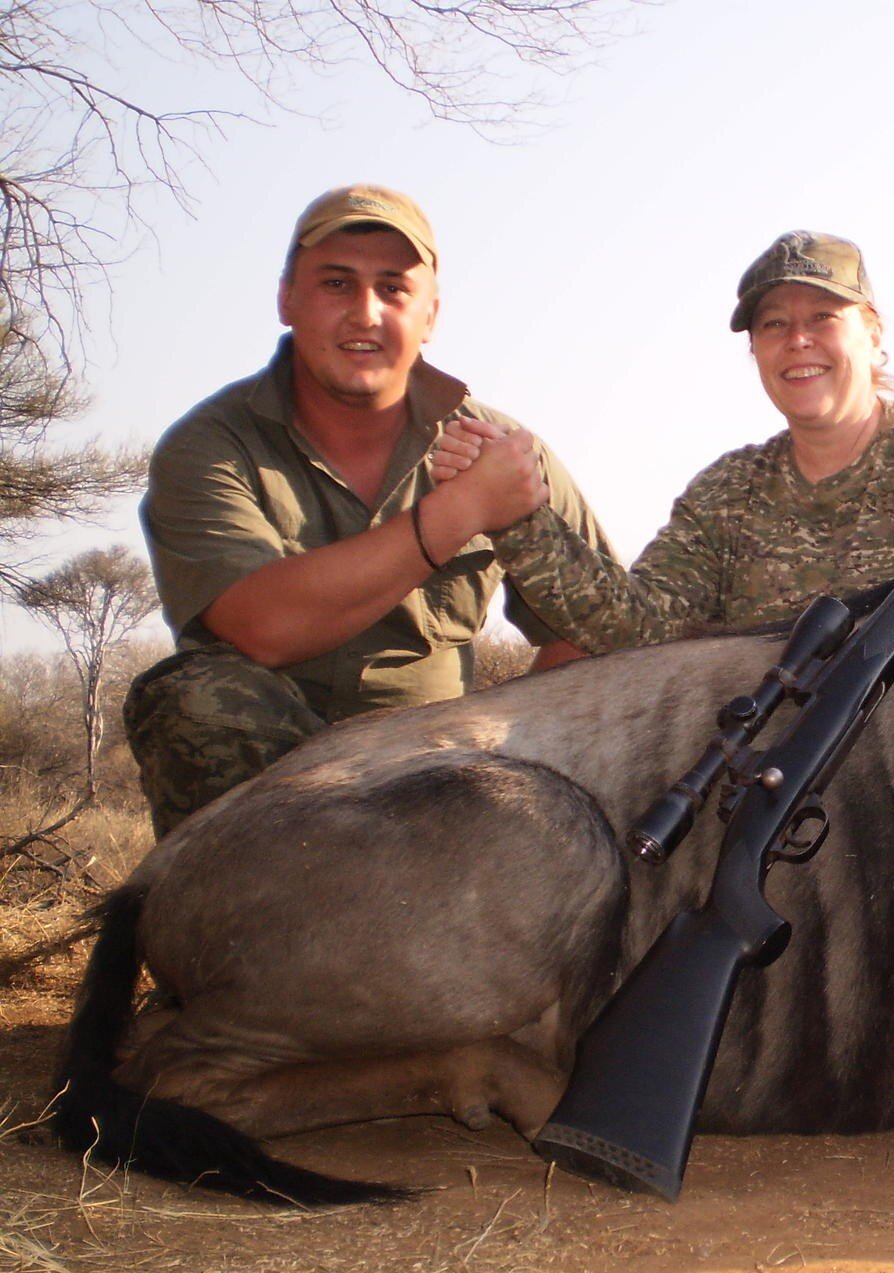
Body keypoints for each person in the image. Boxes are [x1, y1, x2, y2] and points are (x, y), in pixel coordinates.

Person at [127, 183, 613, 838]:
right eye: (336, 284)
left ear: (430, 316)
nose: (365, 314)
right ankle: (195, 925)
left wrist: (500, 746)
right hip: (268, 783)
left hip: (439, 774)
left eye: (393, 288)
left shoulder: (506, 450)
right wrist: (463, 509)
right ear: (287, 299)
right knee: (197, 699)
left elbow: (601, 629)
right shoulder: (212, 444)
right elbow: (262, 625)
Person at [433, 230, 894, 652]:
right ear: (754, 350)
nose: (797, 340)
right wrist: (516, 518)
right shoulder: (726, 490)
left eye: (822, 319)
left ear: (872, 335)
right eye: (774, 325)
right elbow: (636, 627)